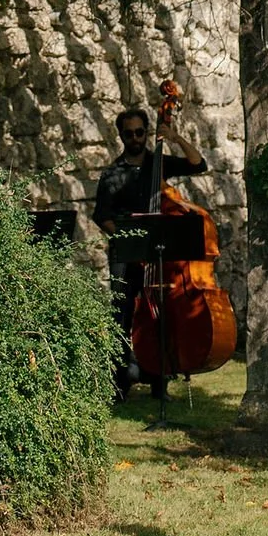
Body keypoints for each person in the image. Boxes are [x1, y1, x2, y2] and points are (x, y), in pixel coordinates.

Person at [93, 106, 206, 392]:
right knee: (122, 315)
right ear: (121, 136)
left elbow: (198, 164)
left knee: (161, 317)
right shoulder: (112, 174)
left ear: (146, 133)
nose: (135, 138)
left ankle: (160, 380)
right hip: (126, 256)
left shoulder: (159, 163)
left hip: (158, 256)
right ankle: (120, 384)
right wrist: (133, 242)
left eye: (140, 132)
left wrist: (175, 137)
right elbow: (102, 217)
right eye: (129, 133)